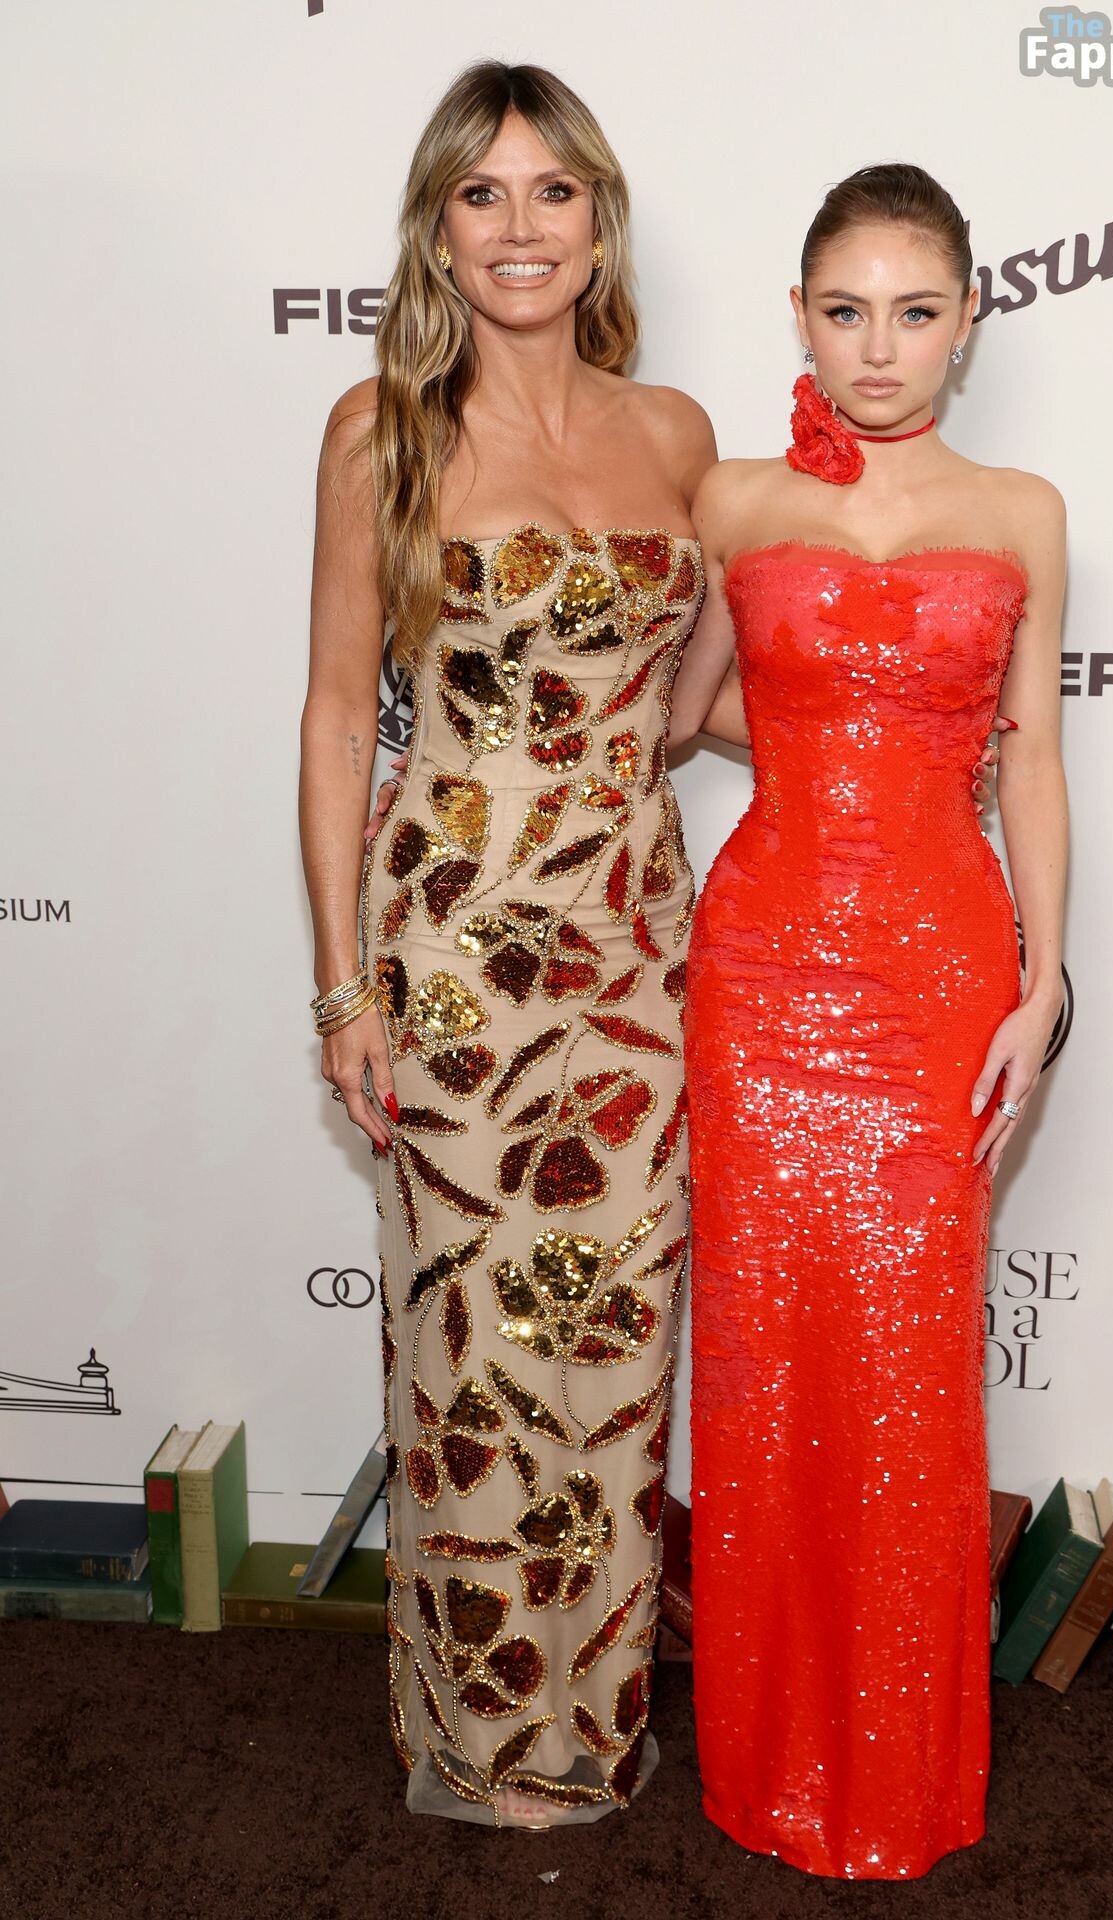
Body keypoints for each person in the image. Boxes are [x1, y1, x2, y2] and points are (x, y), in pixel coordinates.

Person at [299, 60, 716, 1828]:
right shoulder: (379, 431)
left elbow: (688, 705)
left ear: (599, 221)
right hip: (457, 950)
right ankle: (483, 1748)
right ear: (440, 229)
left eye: (554, 191)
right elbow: (339, 718)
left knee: (614, 1342)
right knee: (473, 1343)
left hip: (633, 948)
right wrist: (346, 988)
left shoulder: (677, 433)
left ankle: (595, 1726)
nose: (522, 227)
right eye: (485, 193)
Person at [669, 164, 1067, 1879]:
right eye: (846, 311)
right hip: (763, 973)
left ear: (968, 321)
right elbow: (685, 712)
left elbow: (1033, 763)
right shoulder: (735, 497)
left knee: (908, 1370)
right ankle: (769, 1764)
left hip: (941, 981)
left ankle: (897, 1773)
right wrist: (828, 738)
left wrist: (1044, 982)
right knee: (765, 1367)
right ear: (801, 318)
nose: (879, 347)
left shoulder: (1027, 510)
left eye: (915, 312)